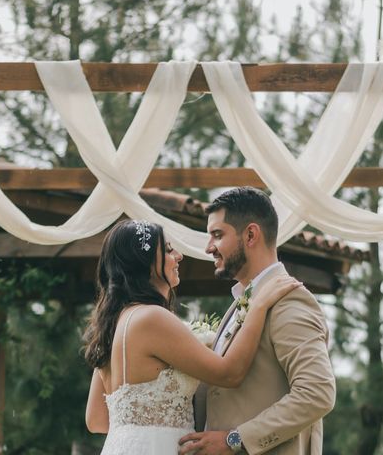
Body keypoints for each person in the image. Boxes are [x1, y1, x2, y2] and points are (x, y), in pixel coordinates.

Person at [83, 219, 302, 455]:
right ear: (144, 262)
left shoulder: (114, 323)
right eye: (167, 250)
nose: (178, 255)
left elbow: (97, 420)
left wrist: (142, 425)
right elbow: (229, 373)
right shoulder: (151, 318)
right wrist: (258, 307)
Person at [180, 187, 336, 455]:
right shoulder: (244, 301)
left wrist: (234, 440)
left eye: (217, 235)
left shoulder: (289, 301)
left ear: (251, 234)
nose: (209, 248)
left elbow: (317, 392)